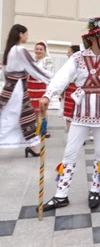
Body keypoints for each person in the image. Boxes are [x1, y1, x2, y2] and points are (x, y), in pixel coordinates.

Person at [40, 17, 100, 211]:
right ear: (93, 39)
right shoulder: (78, 57)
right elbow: (62, 76)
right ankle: (61, 195)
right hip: (81, 111)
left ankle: (95, 189)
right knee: (70, 151)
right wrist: (48, 95)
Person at [0, 25, 53, 156]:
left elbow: (5, 72)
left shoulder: (9, 50)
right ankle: (33, 147)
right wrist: (53, 79)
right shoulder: (19, 49)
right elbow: (33, 68)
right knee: (19, 116)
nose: (27, 37)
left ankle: (33, 147)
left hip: (10, 86)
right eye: (26, 34)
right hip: (17, 87)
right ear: (20, 34)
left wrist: (8, 85)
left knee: (21, 116)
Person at [27, 41, 54, 138]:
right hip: (31, 87)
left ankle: (44, 129)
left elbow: (49, 74)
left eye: (40, 49)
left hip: (41, 87)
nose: (38, 51)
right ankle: (36, 128)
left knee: (42, 109)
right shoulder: (32, 60)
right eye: (37, 49)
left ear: (44, 51)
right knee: (34, 110)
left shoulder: (47, 60)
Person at [61, 45, 81, 133]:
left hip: (77, 90)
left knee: (78, 113)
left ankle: (78, 136)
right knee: (69, 113)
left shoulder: (81, 64)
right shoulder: (68, 65)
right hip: (69, 90)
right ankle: (70, 135)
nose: (67, 55)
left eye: (69, 53)